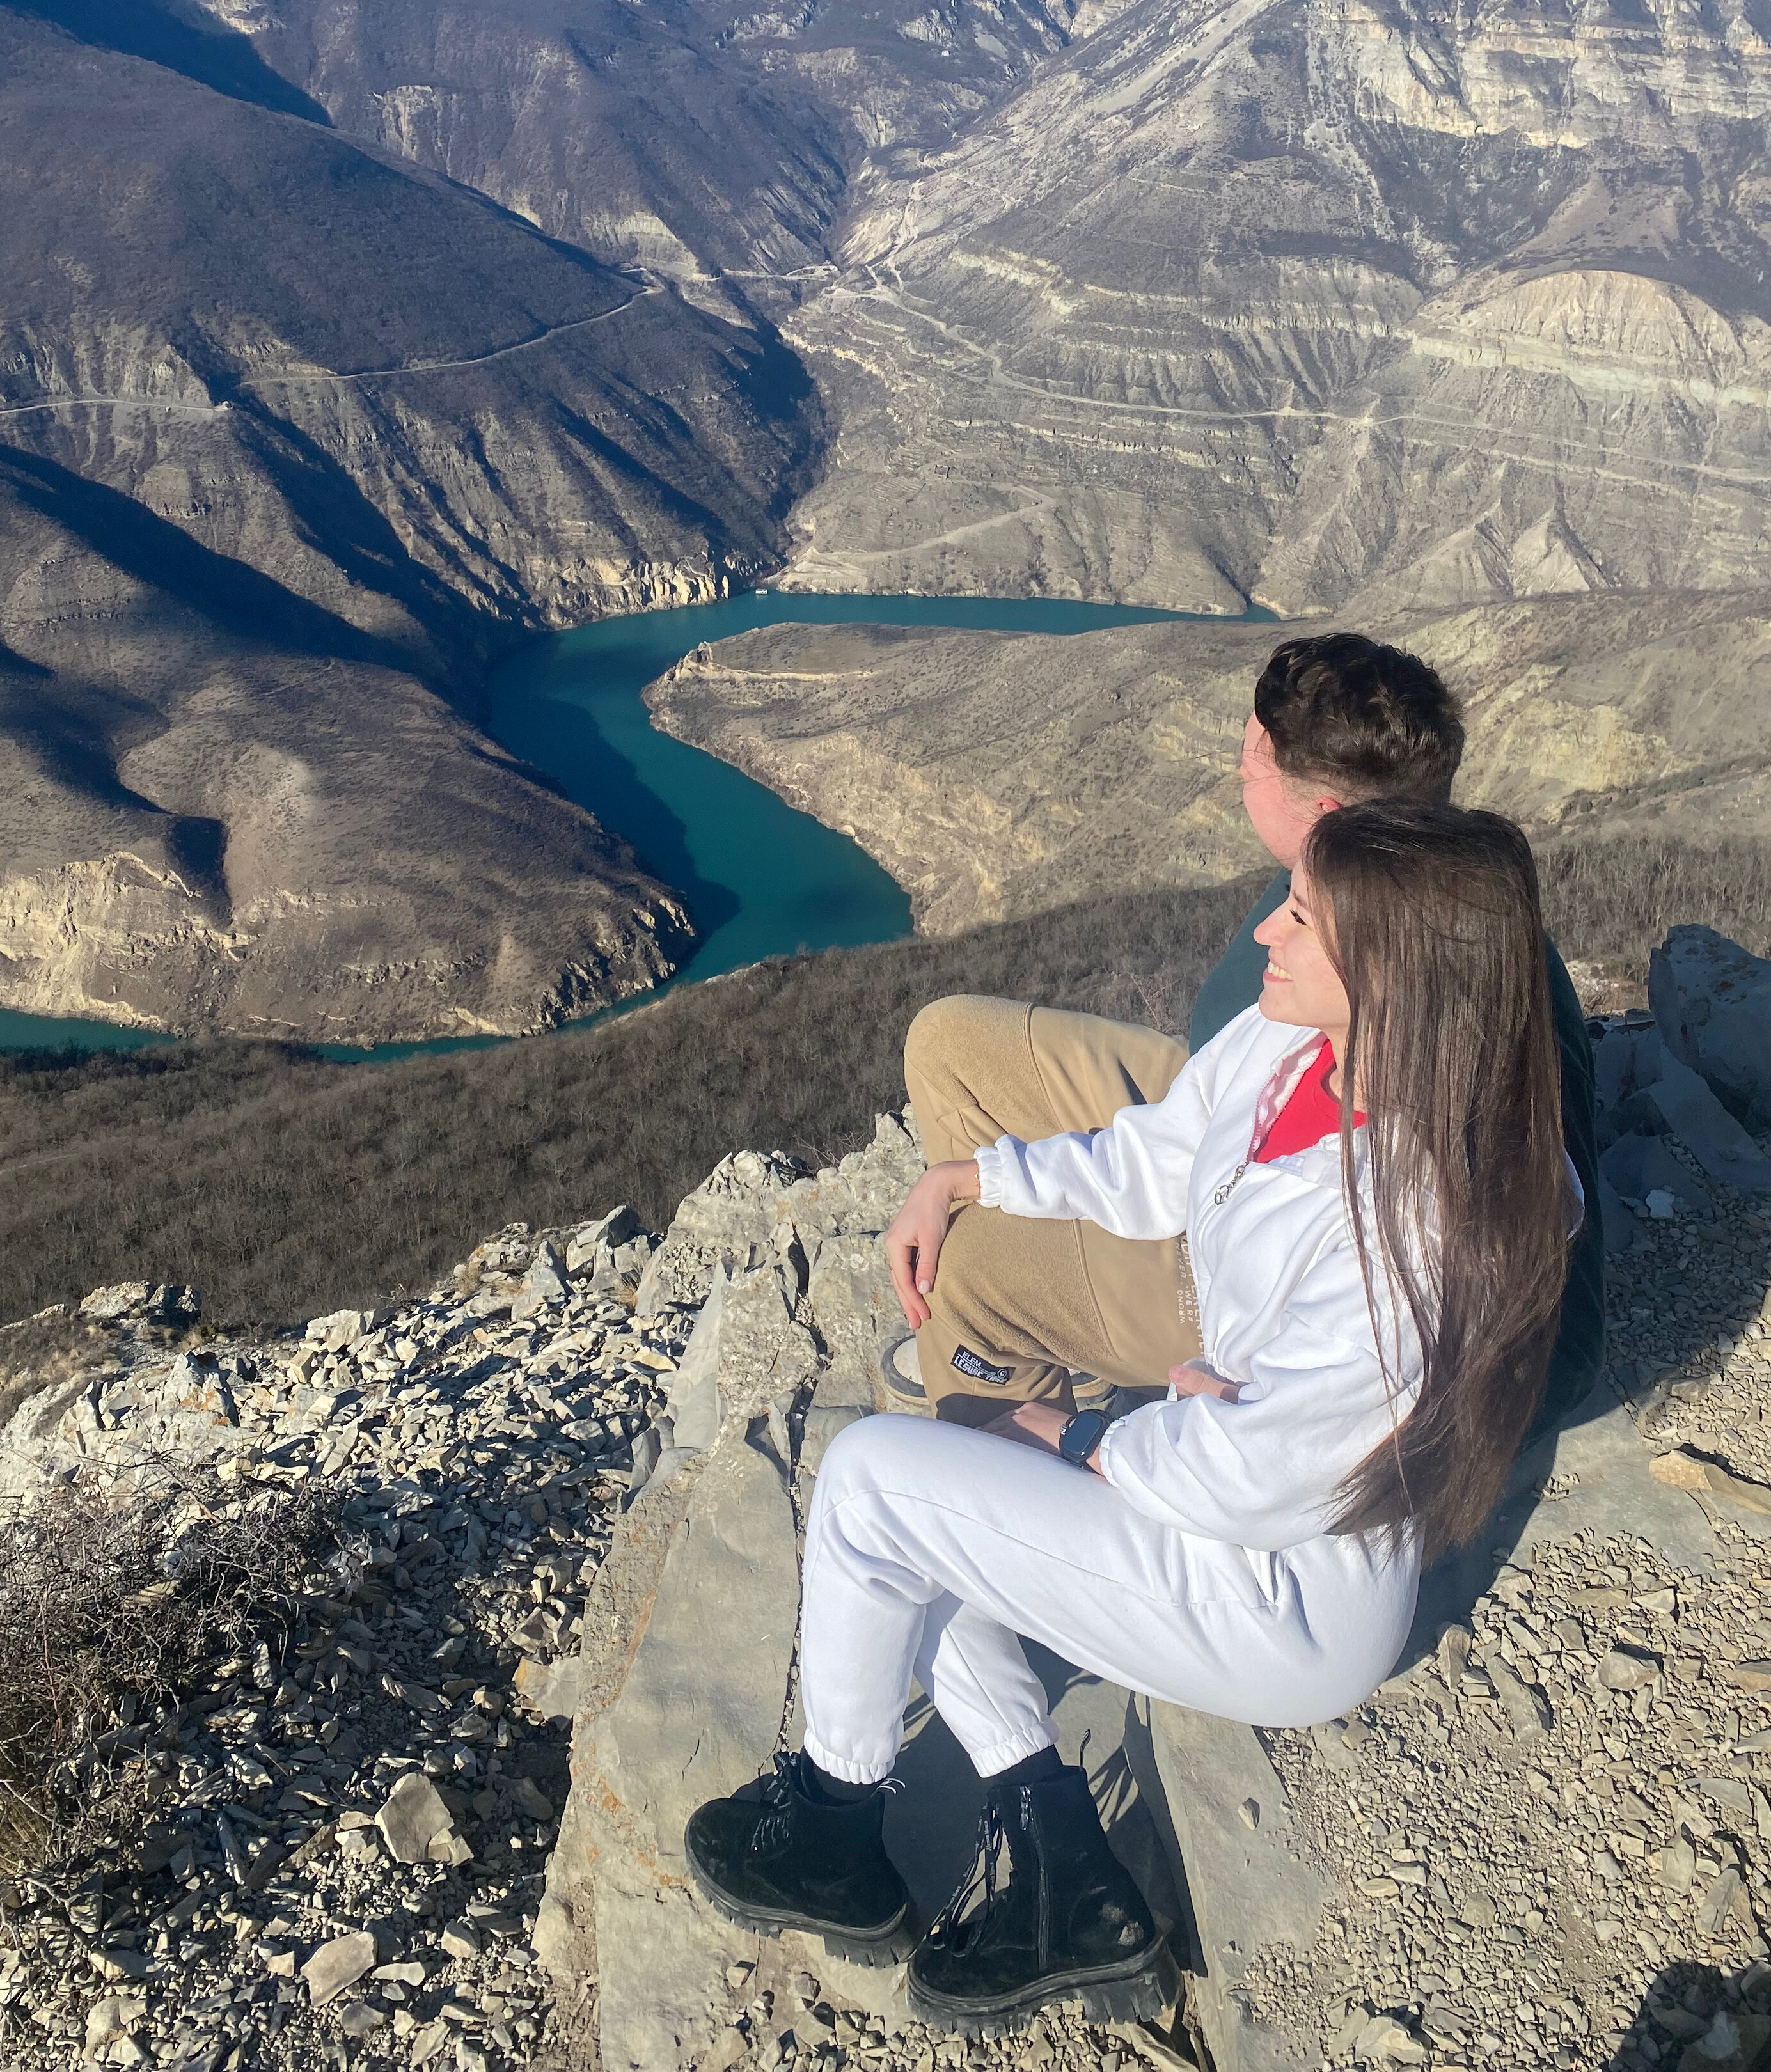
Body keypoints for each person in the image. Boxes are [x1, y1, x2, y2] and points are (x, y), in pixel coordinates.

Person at [685, 804, 1576, 2033]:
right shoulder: (1297, 1049)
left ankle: (832, 1834)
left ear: (1390, 972)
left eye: (1302, 917)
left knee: (873, 1481)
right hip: (1219, 1479)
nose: (1264, 925)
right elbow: (1163, 1154)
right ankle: (1063, 1870)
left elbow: (1272, 1474)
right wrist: (974, 1178)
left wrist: (1090, 1436)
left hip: (1284, 1598)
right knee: (936, 1497)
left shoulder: (1419, 1221)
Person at [897, 632, 1602, 1440]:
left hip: (1273, 1262)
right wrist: (970, 1177)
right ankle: (1031, 1348)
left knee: (969, 1268)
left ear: (1327, 817)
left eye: (1249, 767)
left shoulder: (1465, 984)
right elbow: (1190, 1116)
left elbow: (1539, 1270)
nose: (1236, 778)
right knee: (950, 1043)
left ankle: (997, 1426)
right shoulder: (1335, 912)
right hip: (1232, 1122)